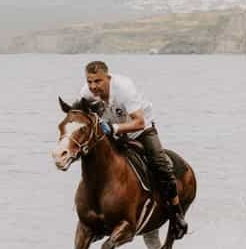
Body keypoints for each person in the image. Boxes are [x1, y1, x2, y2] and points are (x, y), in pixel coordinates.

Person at [79, 61, 188, 239]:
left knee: (161, 164)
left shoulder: (124, 88)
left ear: (108, 77)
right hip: (112, 133)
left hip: (140, 130)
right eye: (89, 81)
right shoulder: (86, 93)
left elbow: (139, 121)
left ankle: (176, 214)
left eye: (97, 81)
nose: (93, 86)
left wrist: (113, 128)